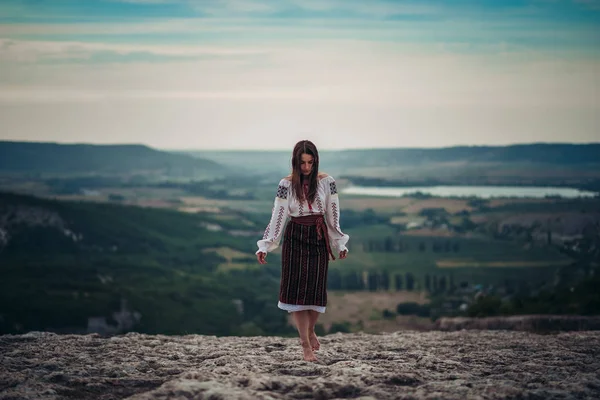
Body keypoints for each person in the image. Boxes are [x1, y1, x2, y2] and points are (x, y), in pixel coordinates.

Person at [256, 140, 349, 362]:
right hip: (295, 236)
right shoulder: (285, 184)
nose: (306, 167)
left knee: (316, 291)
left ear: (315, 161)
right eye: (302, 163)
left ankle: (310, 329)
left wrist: (339, 242)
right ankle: (305, 345)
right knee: (296, 291)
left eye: (310, 162)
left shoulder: (328, 182)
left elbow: (333, 215)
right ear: (295, 162)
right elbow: (277, 215)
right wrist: (265, 244)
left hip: (318, 236)